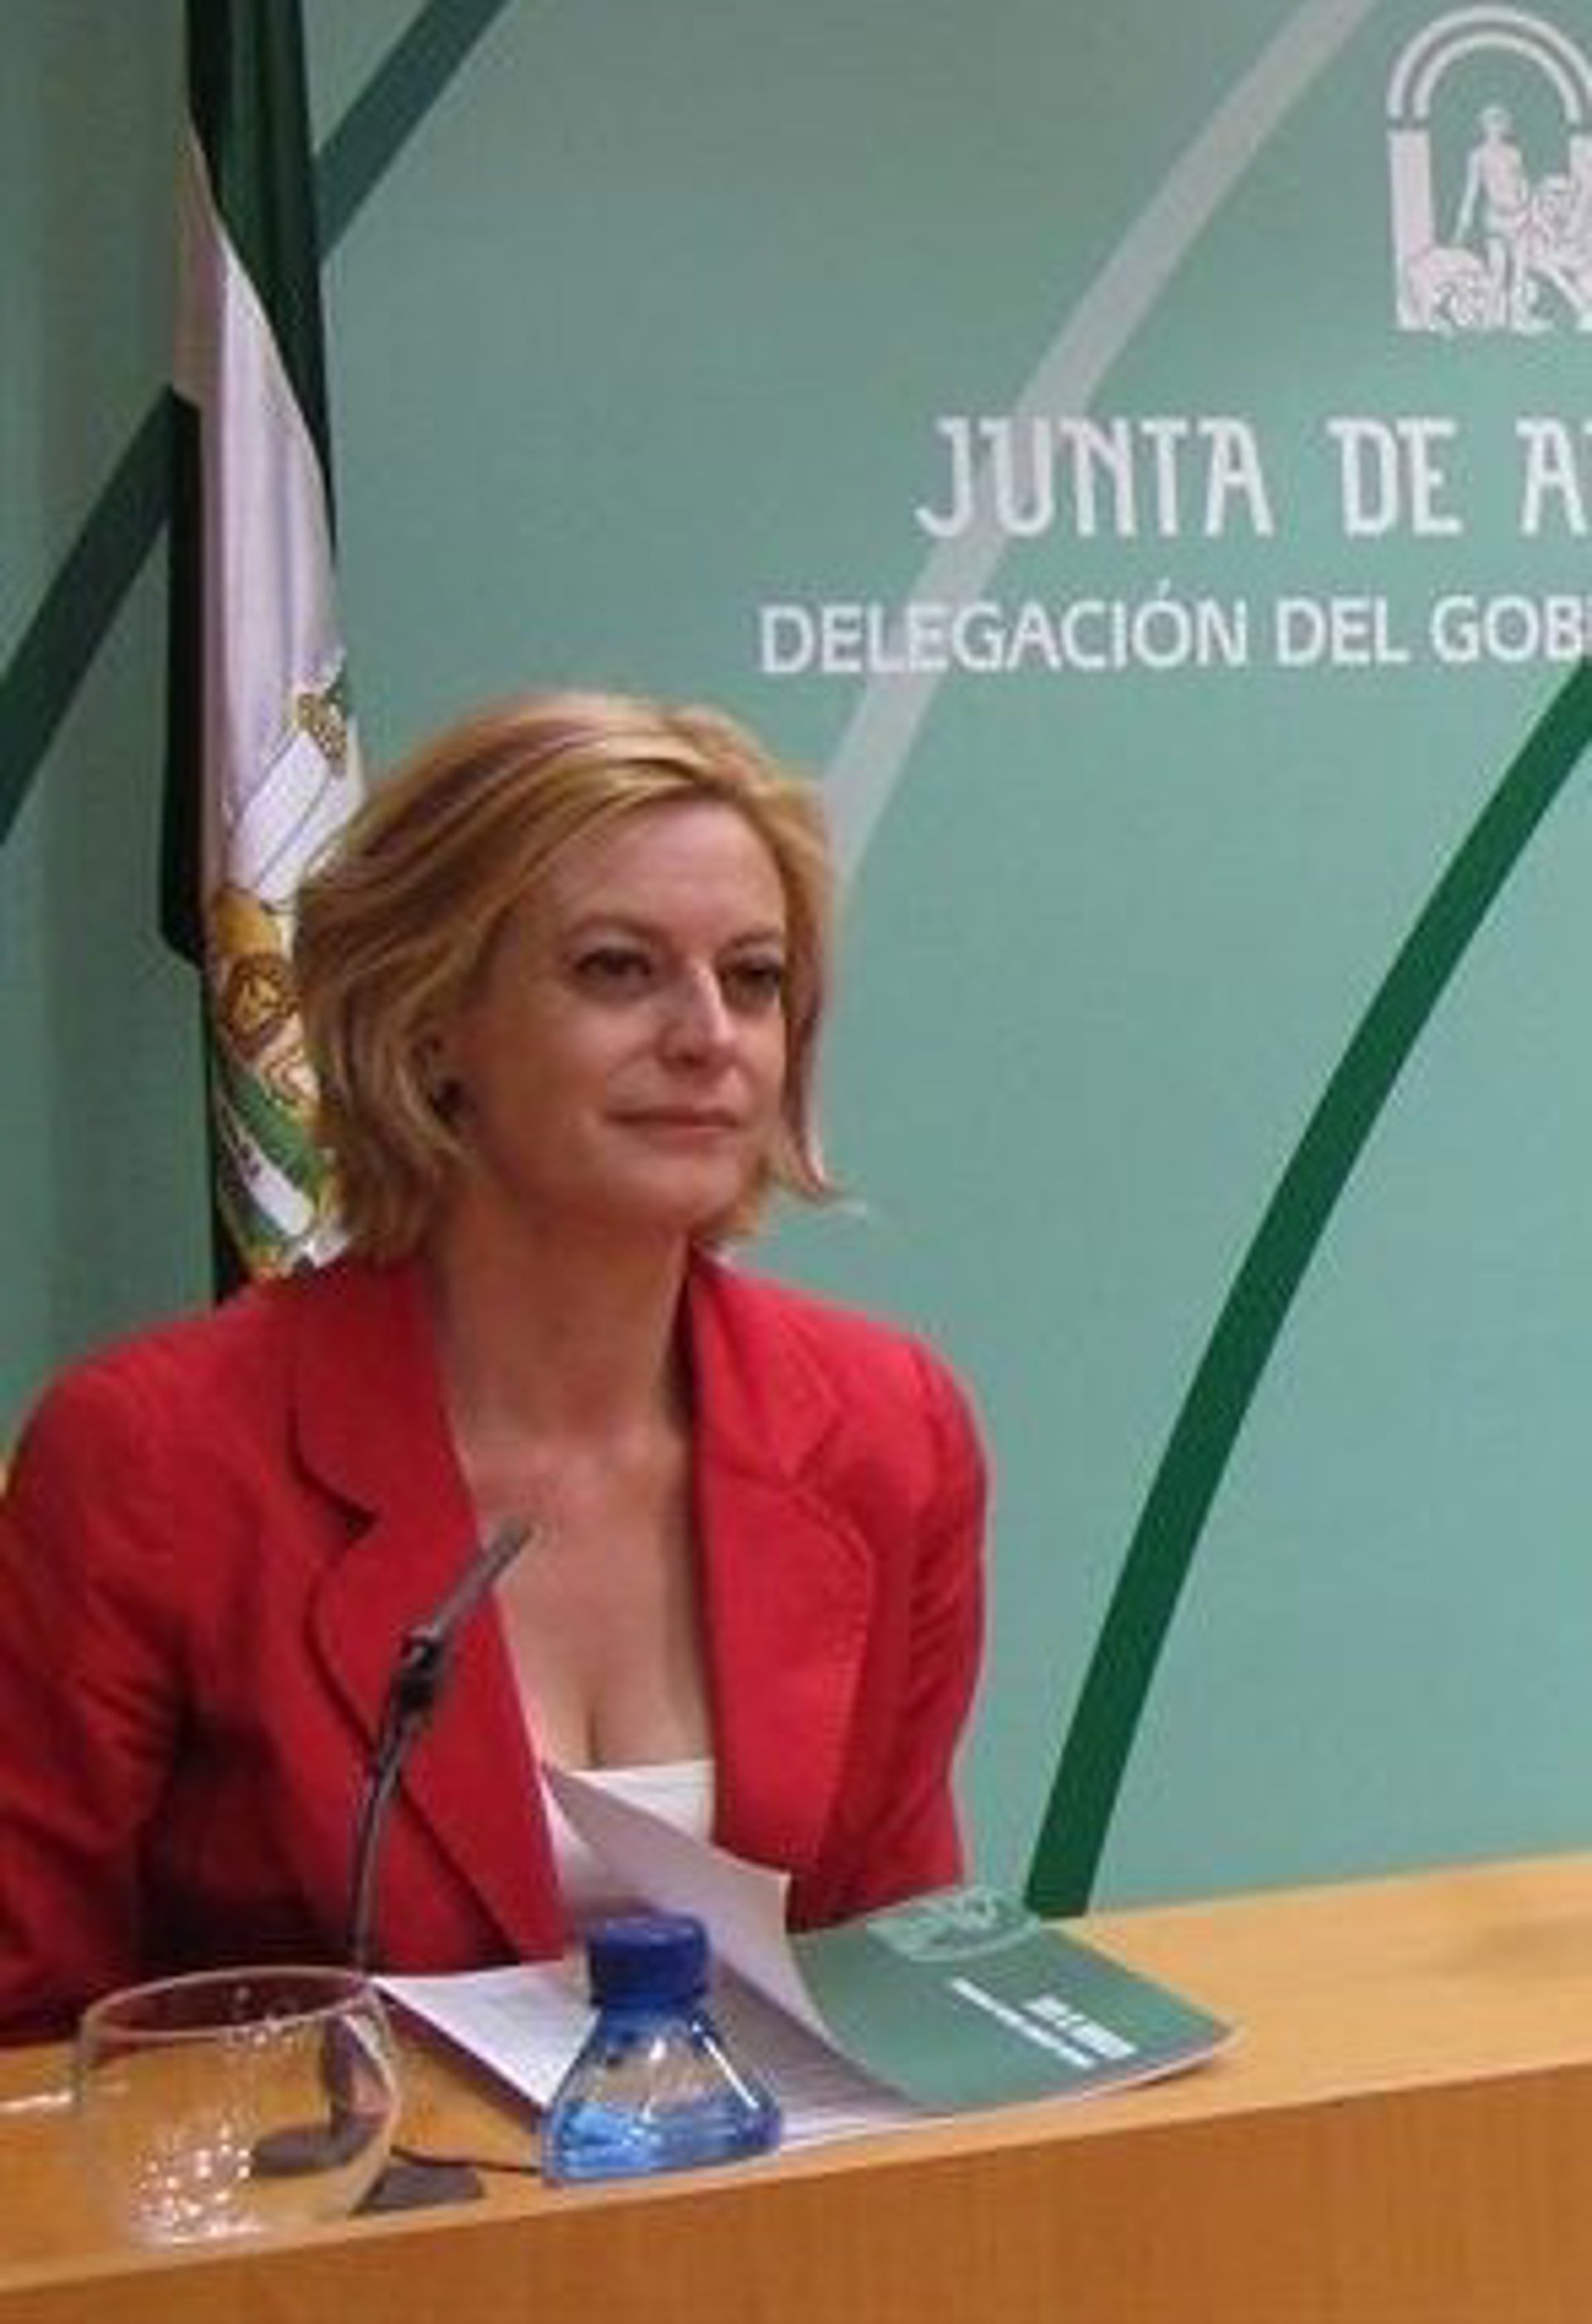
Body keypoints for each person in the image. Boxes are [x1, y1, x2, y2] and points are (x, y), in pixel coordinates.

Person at [0, 690, 987, 2041]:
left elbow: (899, 1975)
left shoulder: (886, 1427)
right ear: (430, 1023)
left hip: (772, 2179)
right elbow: (25, 2036)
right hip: (326, 2180)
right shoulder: (154, 1458)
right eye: (617, 969)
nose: (709, 1035)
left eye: (754, 979)